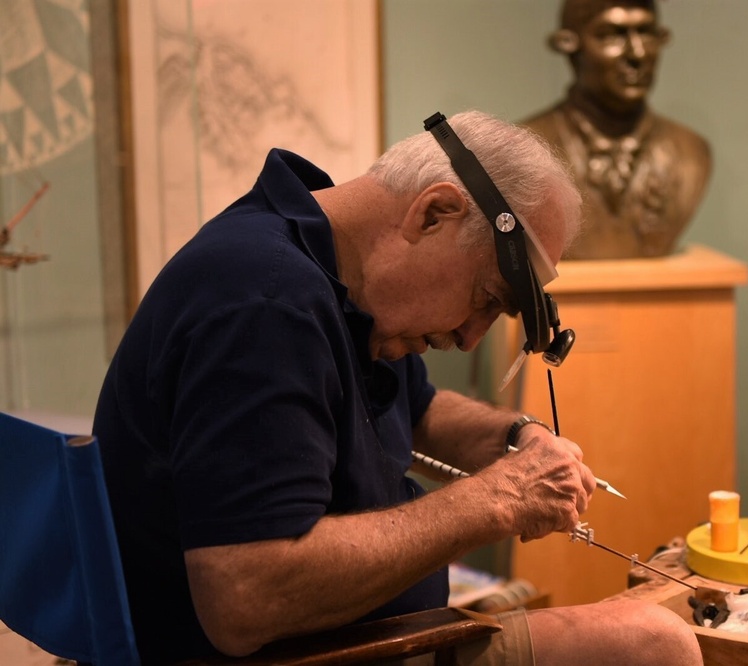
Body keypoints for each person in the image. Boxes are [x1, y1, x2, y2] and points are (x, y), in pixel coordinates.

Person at [93, 110, 702, 665]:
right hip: (308, 655)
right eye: (486, 299)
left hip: (365, 637)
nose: (469, 338)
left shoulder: (333, 270)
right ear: (433, 213)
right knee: (655, 642)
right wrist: (496, 501)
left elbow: (420, 410)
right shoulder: (267, 303)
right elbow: (245, 598)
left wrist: (516, 437)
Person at [522, 0, 712, 260]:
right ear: (569, 45)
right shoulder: (525, 152)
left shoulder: (691, 152)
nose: (637, 54)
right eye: (612, 35)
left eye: (645, 32)